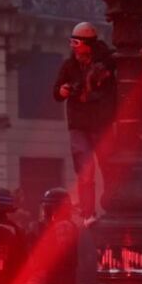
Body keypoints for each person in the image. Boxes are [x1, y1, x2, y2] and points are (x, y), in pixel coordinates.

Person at [53, 22, 116, 221]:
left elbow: (128, 57)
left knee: (109, 167)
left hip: (101, 123)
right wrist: (61, 91)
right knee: (85, 170)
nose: (73, 47)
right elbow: (56, 92)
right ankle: (88, 213)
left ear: (88, 43)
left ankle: (113, 209)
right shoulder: (69, 65)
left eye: (76, 42)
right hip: (79, 124)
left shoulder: (107, 60)